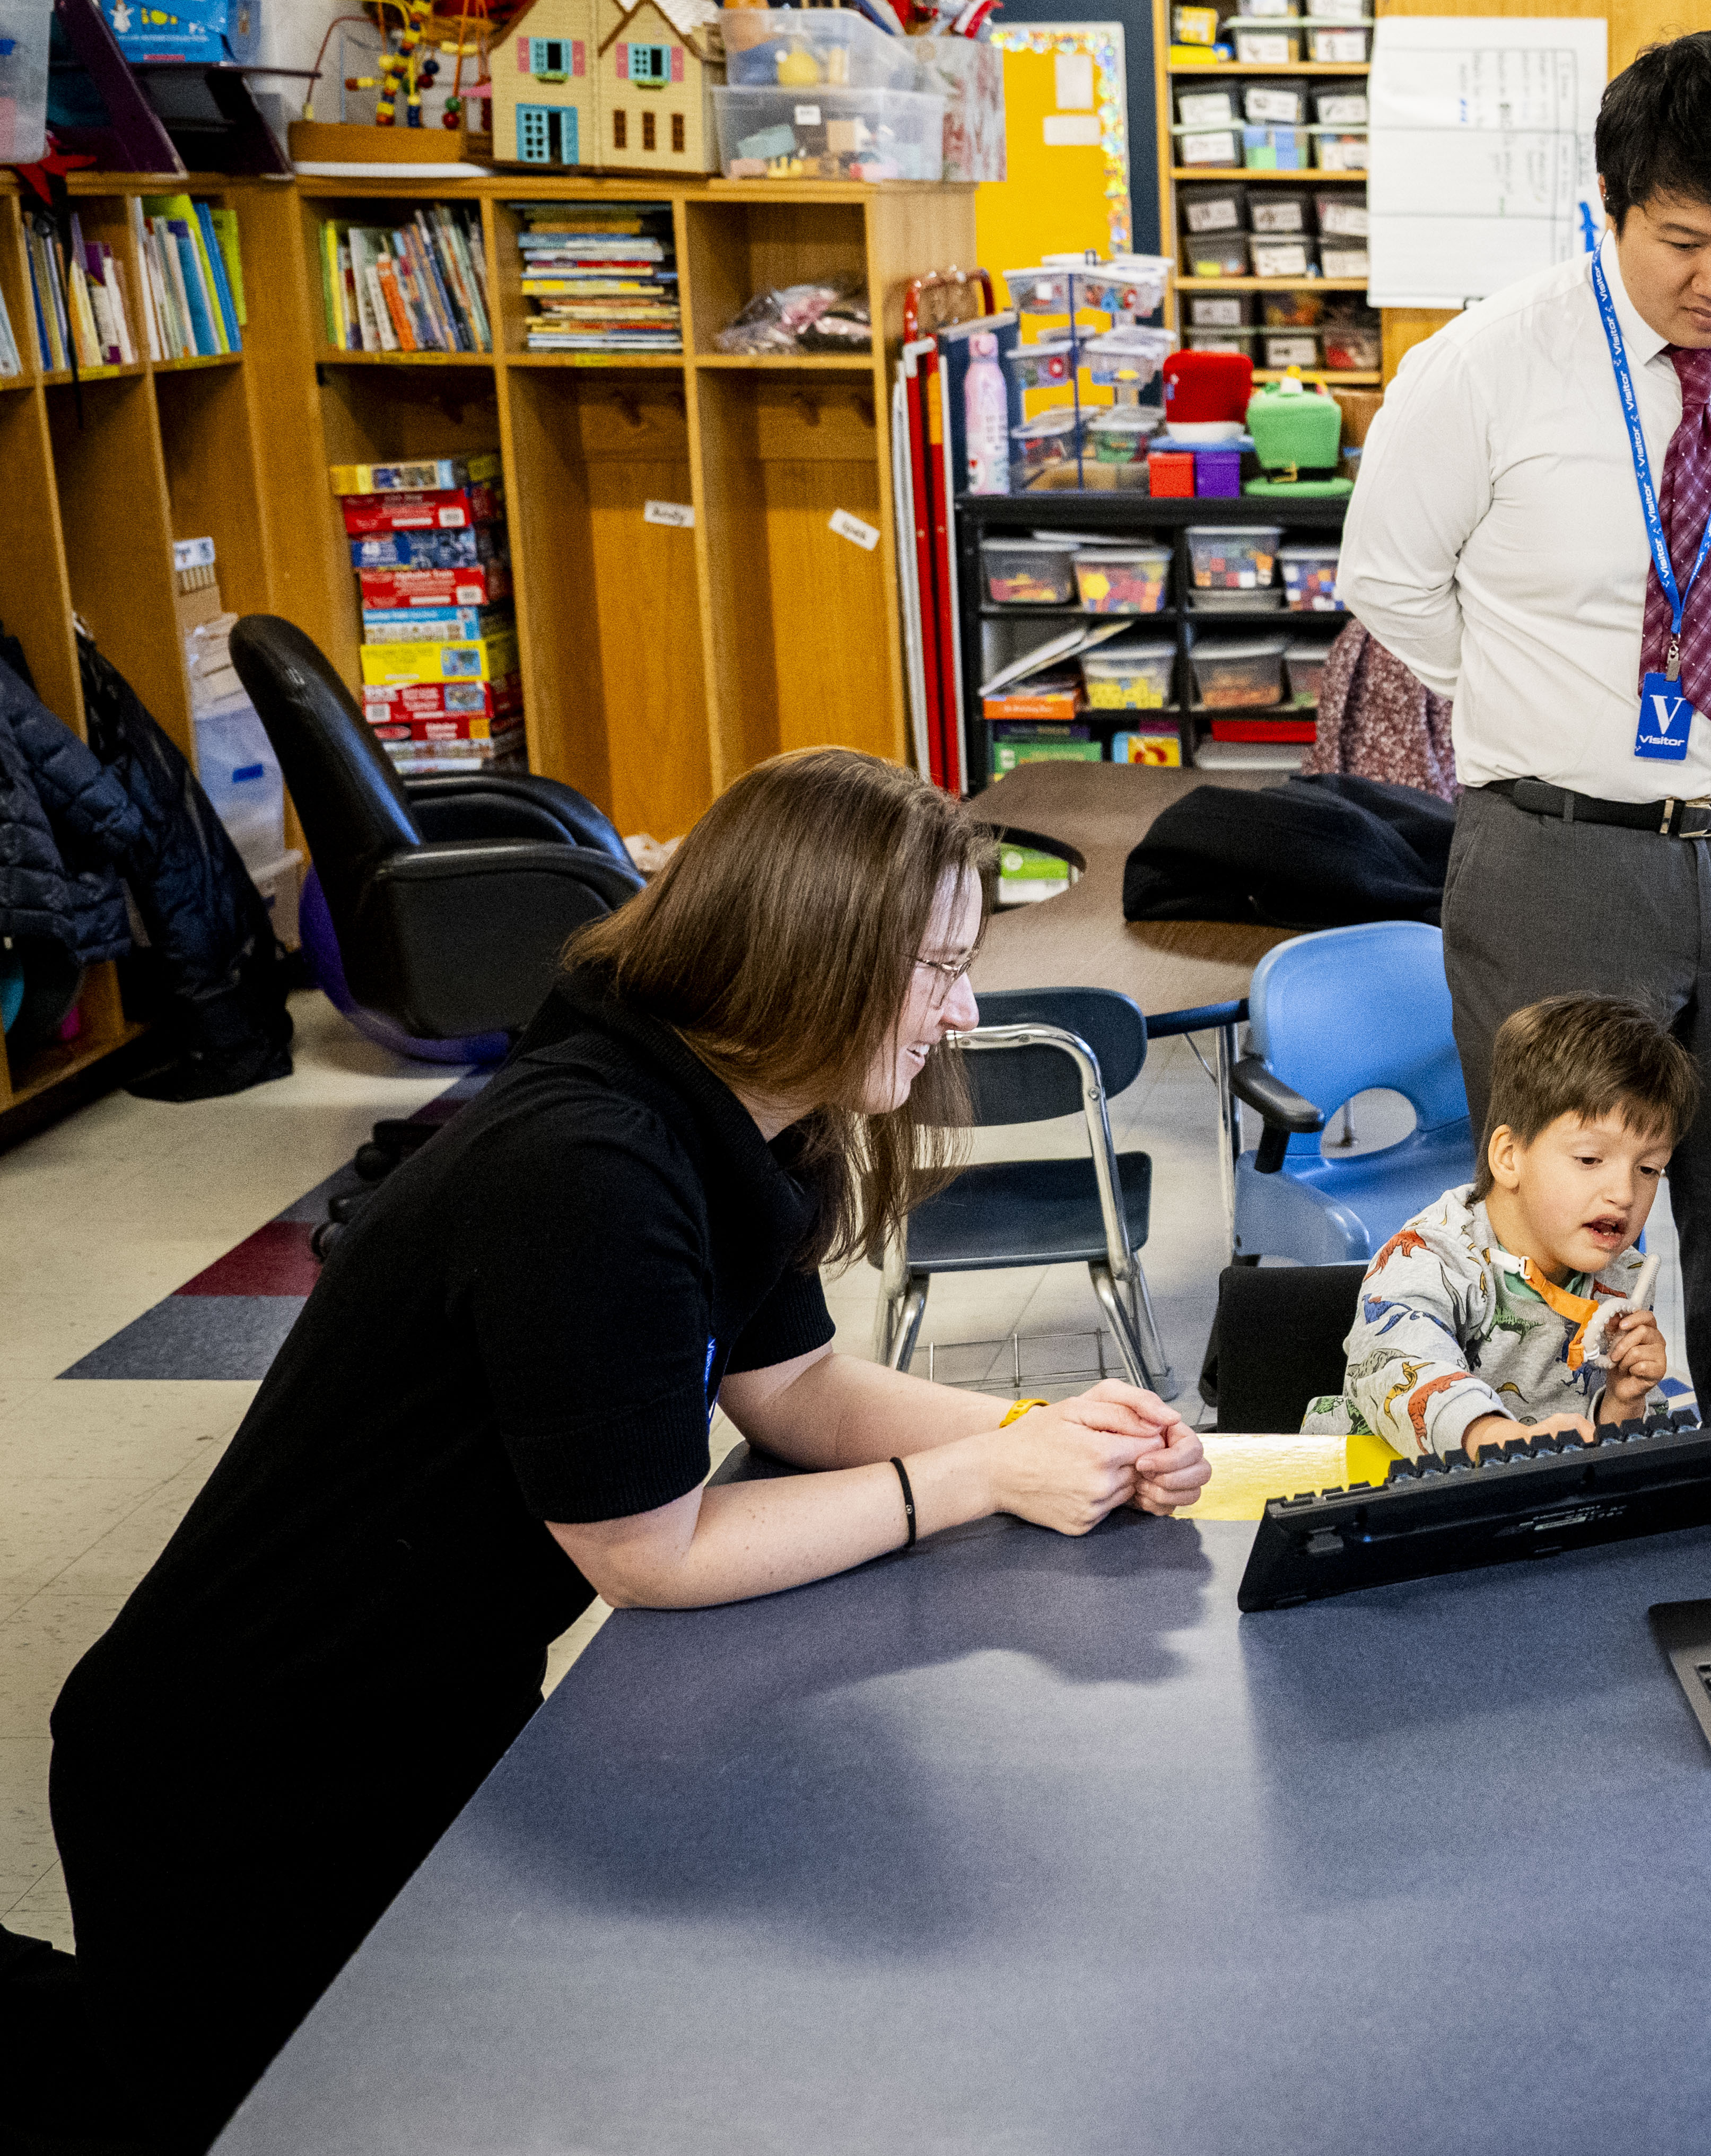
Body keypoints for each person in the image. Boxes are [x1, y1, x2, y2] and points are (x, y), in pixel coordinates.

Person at [31, 749, 1210, 2151]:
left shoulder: (749, 1110)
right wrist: (970, 1478)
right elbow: (647, 1551)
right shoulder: (590, 1170)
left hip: (425, 1719)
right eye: (936, 967)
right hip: (239, 1774)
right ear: (807, 957)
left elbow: (799, 1388)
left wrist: (1045, 1429)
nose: (961, 1008)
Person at [1340, 27, 1711, 1415]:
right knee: (1565, 1230)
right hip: (1559, 859)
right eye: (1682, 242)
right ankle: (1560, 1497)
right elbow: (1389, 582)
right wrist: (1555, 700)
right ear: (1612, 207)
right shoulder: (1484, 365)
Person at [1319, 994, 1690, 1457]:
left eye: (1649, 1169)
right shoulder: (1428, 1255)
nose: (1624, 1193)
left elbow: (1593, 1458)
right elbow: (1402, 1367)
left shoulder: (1624, 1279)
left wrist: (1624, 1402)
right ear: (1509, 1157)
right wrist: (1496, 1439)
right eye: (1590, 1159)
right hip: (1382, 1499)